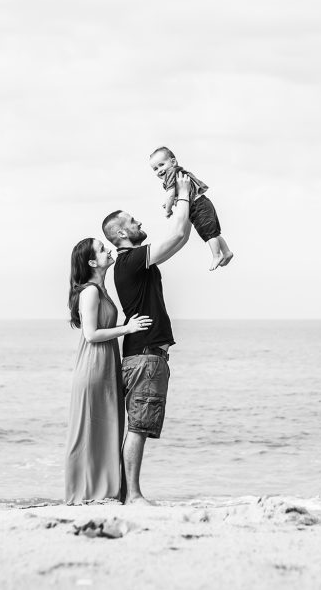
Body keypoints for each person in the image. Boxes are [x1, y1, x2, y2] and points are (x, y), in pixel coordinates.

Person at [101, 171, 192, 504]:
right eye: (134, 221)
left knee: (139, 425)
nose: (140, 222)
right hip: (144, 356)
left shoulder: (132, 262)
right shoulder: (129, 260)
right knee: (138, 426)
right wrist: (182, 192)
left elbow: (180, 239)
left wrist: (187, 201)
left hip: (146, 355)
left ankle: (130, 494)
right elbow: (178, 233)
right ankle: (134, 496)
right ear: (123, 232)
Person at [64, 238, 152, 504]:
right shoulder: (90, 291)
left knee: (107, 428)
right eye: (103, 249)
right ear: (92, 262)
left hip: (105, 364)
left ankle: (105, 491)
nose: (109, 250)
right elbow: (90, 334)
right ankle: (83, 493)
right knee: (89, 429)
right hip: (93, 365)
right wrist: (127, 329)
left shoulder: (102, 289)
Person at [149, 146, 234, 271]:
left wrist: (168, 210)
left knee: (209, 234)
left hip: (197, 206)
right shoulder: (178, 172)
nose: (159, 170)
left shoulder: (171, 174)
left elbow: (171, 194)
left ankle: (217, 255)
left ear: (172, 162)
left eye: (161, 165)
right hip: (203, 202)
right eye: (155, 168)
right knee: (213, 232)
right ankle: (226, 252)